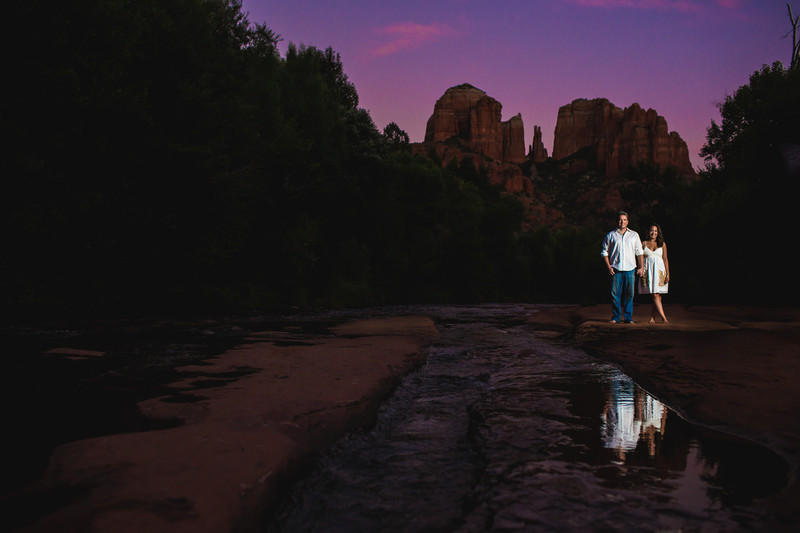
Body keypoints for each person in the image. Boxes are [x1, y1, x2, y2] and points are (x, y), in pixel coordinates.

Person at [601, 211, 643, 323]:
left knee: (630, 295)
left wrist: (641, 267)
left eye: (624, 220)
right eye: (620, 219)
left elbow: (639, 252)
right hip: (616, 269)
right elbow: (604, 252)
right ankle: (616, 317)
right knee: (615, 294)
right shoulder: (611, 235)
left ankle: (628, 318)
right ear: (617, 221)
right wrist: (609, 267)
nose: (622, 222)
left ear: (627, 221)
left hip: (630, 269)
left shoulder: (634, 235)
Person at [638, 223, 670, 323]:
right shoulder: (643, 243)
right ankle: (664, 318)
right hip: (649, 272)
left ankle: (652, 318)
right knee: (655, 295)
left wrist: (668, 274)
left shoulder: (662, 244)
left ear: (658, 232)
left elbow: (665, 259)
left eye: (656, 231)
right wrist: (641, 268)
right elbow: (639, 258)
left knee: (658, 296)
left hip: (660, 271)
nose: (653, 233)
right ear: (648, 232)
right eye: (652, 230)